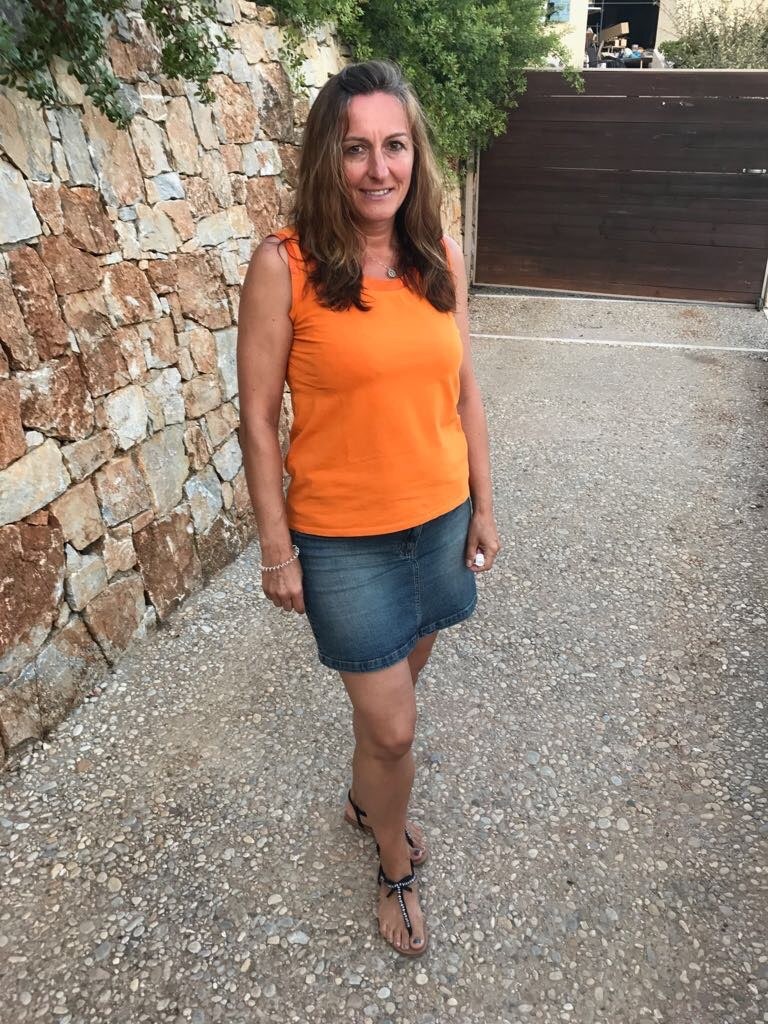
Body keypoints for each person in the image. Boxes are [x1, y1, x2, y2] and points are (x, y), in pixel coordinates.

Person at [236, 59, 500, 957]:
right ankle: (392, 858)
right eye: (357, 149)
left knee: (392, 708)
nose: (379, 168)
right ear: (328, 157)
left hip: (437, 524)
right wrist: (278, 549)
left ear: (414, 156)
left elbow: (466, 394)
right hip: (343, 543)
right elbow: (258, 421)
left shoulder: (439, 259)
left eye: (394, 146)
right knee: (392, 726)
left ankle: (363, 796)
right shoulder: (285, 265)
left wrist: (485, 508)